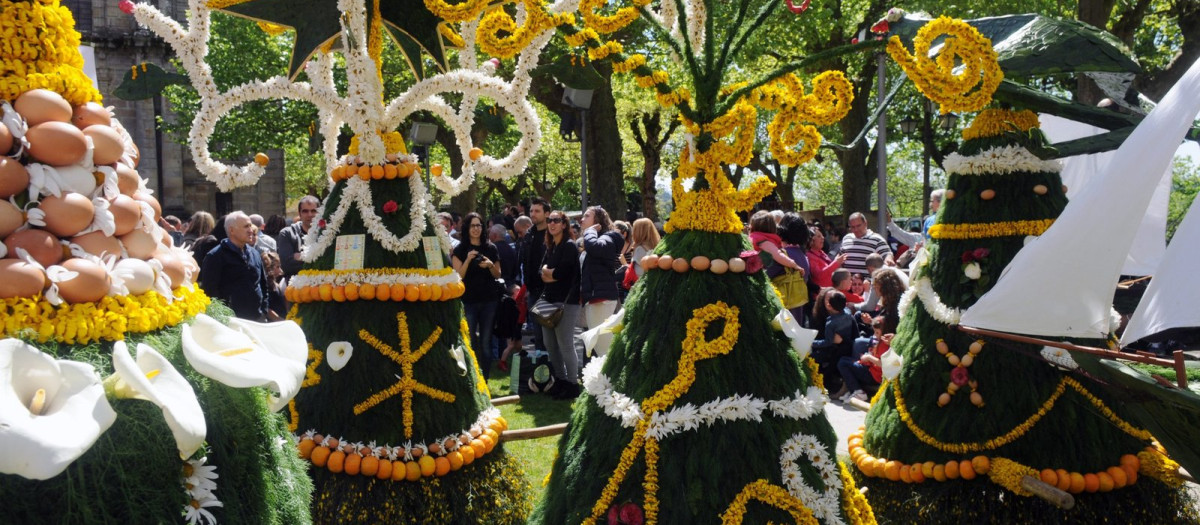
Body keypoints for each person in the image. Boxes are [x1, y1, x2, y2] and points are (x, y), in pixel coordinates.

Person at [452, 213, 504, 374]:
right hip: (469, 301)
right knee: (471, 341)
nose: (476, 229)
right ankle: (473, 376)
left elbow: (498, 274)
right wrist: (468, 260)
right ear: (467, 228)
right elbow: (458, 276)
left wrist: (489, 265)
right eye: (473, 226)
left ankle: (485, 378)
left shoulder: (491, 248)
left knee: (486, 342)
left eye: (479, 225)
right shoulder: (460, 249)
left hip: (489, 300)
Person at [201, 211, 276, 321]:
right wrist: (223, 317)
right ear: (231, 230)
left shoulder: (254, 253)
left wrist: (263, 310)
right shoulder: (215, 256)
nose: (251, 230)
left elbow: (263, 285)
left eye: (250, 226)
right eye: (246, 227)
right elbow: (210, 292)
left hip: (257, 319)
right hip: (232, 322)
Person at [539, 210, 582, 399]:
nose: (552, 223)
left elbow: (559, 274)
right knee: (550, 344)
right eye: (550, 220)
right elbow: (541, 273)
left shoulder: (570, 246)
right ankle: (560, 380)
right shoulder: (551, 247)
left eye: (556, 220)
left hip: (566, 302)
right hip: (548, 301)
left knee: (565, 344)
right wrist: (550, 274)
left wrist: (550, 274)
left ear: (564, 224)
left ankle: (573, 384)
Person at [578, 206, 623, 355]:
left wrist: (590, 231)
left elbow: (596, 248)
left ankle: (610, 378)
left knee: (603, 347)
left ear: (597, 220)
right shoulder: (591, 240)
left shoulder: (611, 236)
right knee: (599, 345)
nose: (581, 219)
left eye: (587, 216)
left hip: (601, 300)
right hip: (593, 299)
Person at [767, 213, 813, 321]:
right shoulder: (803, 256)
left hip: (781, 318)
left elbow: (764, 278)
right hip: (797, 316)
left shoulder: (782, 256)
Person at [810, 290, 857, 394]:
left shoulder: (831, 322)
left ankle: (821, 384)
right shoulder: (848, 313)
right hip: (844, 347)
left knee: (814, 358)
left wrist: (812, 342)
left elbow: (828, 342)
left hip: (837, 349)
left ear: (829, 305)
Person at [521, 198, 551, 352]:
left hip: (550, 291)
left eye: (537, 211)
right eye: (531, 211)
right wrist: (527, 287)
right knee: (538, 336)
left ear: (547, 213)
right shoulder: (529, 235)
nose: (533, 214)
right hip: (533, 291)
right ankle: (541, 371)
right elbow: (526, 263)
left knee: (551, 337)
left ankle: (557, 372)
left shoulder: (553, 234)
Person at [837, 318, 890, 403]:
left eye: (877, 332)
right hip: (871, 369)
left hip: (875, 376)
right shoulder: (879, 341)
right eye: (874, 332)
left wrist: (869, 357)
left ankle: (858, 392)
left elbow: (883, 363)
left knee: (843, 363)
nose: (875, 335)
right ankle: (853, 390)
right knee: (845, 360)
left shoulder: (884, 345)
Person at [747, 211, 806, 275]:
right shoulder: (764, 241)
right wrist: (794, 265)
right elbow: (778, 255)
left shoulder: (752, 238)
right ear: (772, 227)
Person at [277, 196, 319, 279]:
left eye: (313, 211)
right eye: (305, 211)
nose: (310, 215)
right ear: (299, 214)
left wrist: (301, 256)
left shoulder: (327, 233)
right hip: (295, 287)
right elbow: (287, 266)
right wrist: (318, 259)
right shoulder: (287, 234)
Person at [841, 212, 894, 276]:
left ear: (865, 223)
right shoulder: (846, 238)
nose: (856, 229)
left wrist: (889, 258)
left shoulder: (877, 239)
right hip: (848, 283)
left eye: (858, 226)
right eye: (852, 227)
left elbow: (887, 254)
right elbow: (840, 257)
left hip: (868, 283)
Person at [260, 250, 288, 320]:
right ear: (269, 268)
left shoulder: (275, 285)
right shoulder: (264, 286)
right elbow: (267, 309)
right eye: (278, 267)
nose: (281, 271)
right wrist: (281, 320)